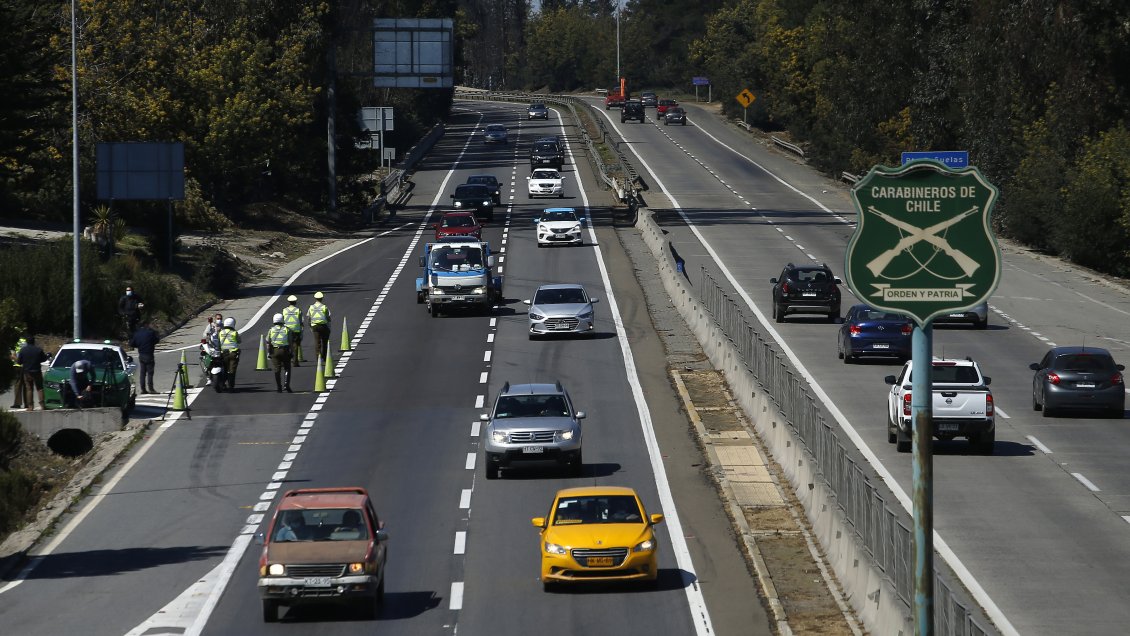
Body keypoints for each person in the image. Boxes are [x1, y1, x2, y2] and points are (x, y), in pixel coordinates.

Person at [16, 336, 48, 410]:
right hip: (37, 371)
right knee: (40, 388)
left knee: (29, 389)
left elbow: (19, 362)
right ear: (34, 341)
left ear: (27, 342)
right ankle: (42, 405)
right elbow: (44, 359)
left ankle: (30, 406)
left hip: (27, 372)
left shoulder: (23, 350)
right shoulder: (38, 350)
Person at [129, 321, 159, 394]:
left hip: (141, 354)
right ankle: (151, 389)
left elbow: (132, 344)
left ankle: (143, 389)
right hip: (149, 354)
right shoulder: (150, 333)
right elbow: (156, 340)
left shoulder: (137, 334)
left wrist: (139, 345)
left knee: (142, 373)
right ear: (146, 325)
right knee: (150, 373)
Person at [266, 313, 293, 393]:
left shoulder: (271, 330)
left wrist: (269, 352)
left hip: (275, 351)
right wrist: (292, 351)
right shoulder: (287, 329)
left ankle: (279, 387)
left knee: (277, 369)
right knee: (287, 368)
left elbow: (268, 342)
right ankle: (286, 384)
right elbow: (290, 342)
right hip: (285, 350)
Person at [306, 291, 331, 363]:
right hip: (323, 326)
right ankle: (325, 357)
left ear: (315, 298)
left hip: (315, 326)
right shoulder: (324, 307)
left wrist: (310, 326)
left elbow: (309, 318)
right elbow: (328, 317)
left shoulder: (311, 307)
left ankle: (318, 358)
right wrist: (329, 327)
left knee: (317, 342)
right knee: (325, 342)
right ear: (322, 298)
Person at [218, 317, 241, 391]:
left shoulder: (221, 332)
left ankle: (222, 384)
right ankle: (231, 385)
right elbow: (239, 341)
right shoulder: (234, 333)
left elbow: (218, 342)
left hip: (223, 354)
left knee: (224, 369)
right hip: (233, 353)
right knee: (232, 370)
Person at [281, 296, 303, 366]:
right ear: (295, 302)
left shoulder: (284, 310)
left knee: (286, 345)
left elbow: (282, 320)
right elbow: (300, 321)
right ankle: (295, 362)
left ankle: (286, 360)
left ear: (289, 302)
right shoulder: (298, 310)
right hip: (296, 330)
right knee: (295, 346)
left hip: (287, 330)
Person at [9, 337, 27, 409]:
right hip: (25, 366)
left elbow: (13, 355)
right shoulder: (26, 341)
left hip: (17, 366)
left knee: (17, 385)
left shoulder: (15, 341)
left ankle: (17, 403)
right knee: (26, 385)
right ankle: (28, 403)